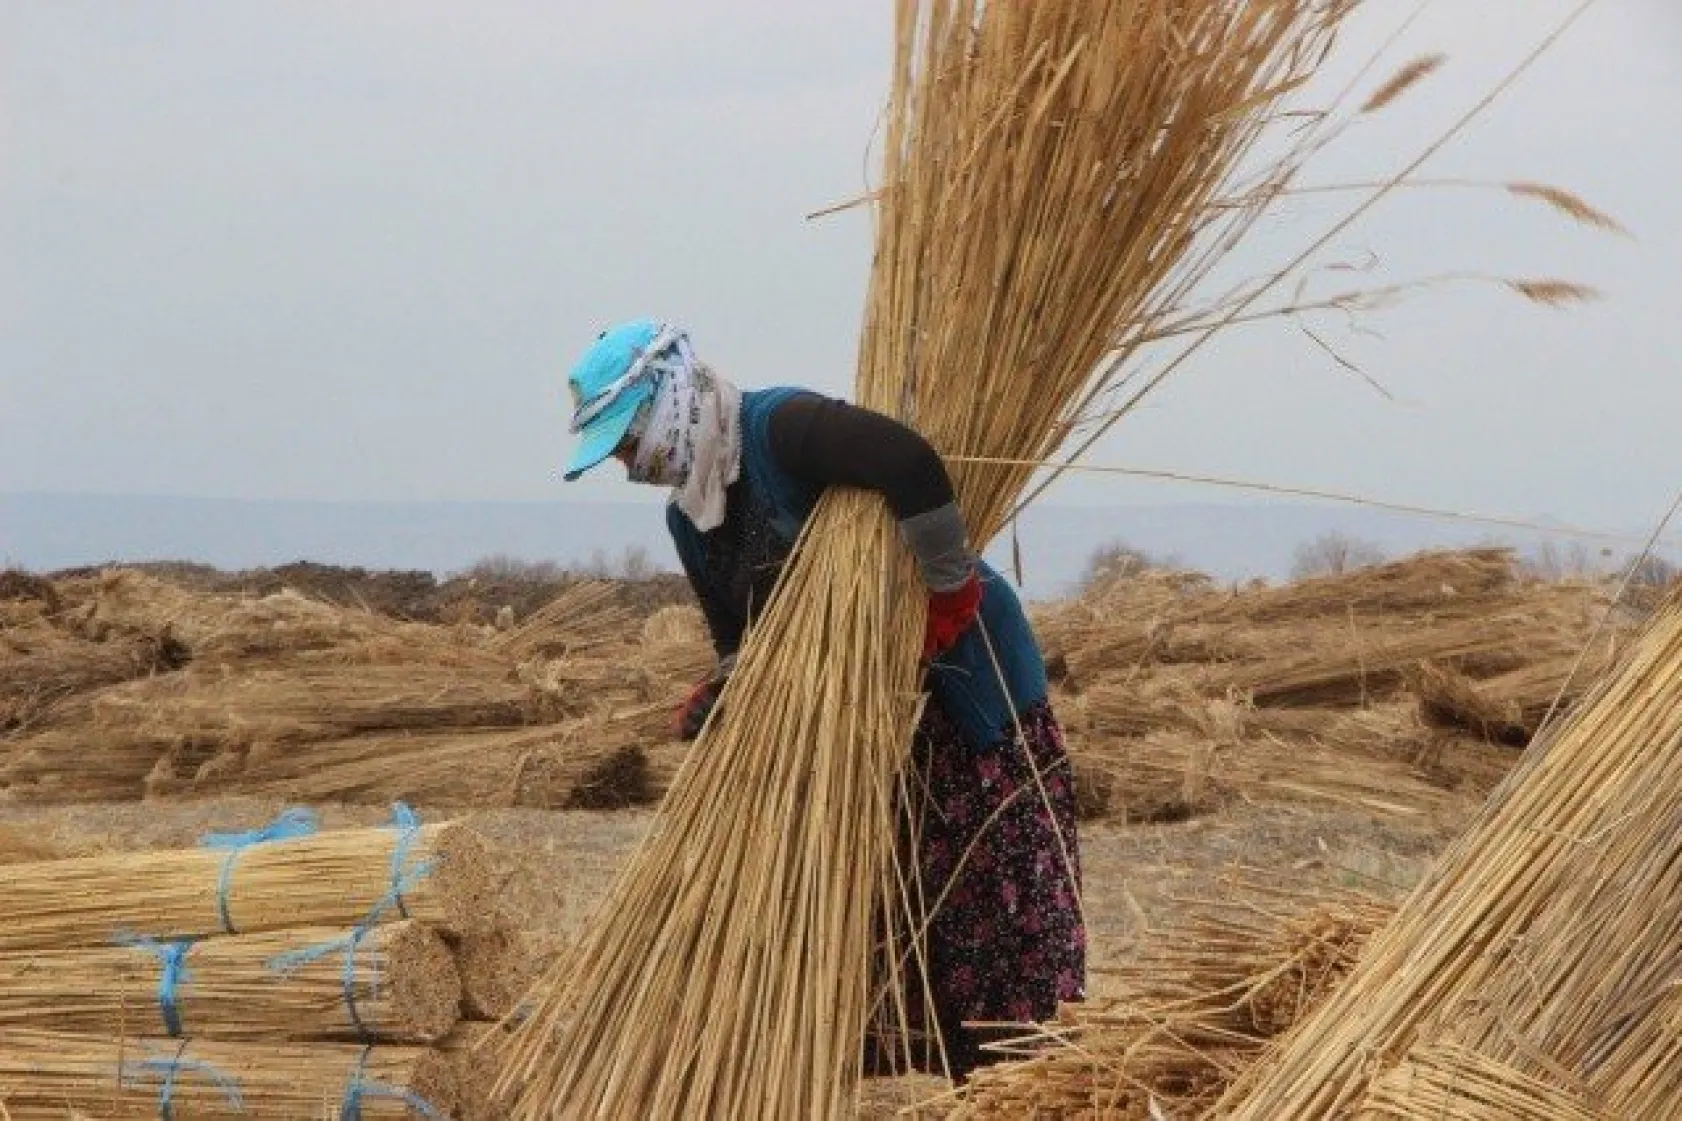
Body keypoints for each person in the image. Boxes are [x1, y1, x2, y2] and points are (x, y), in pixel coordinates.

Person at [561, 318, 1085, 1080]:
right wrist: (722, 694)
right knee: (903, 927)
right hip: (874, 735)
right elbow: (748, 643)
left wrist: (947, 588)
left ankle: (1023, 1087)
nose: (630, 463)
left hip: (970, 693)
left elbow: (910, 461)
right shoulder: (689, 520)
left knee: (1000, 930)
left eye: (626, 439)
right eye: (614, 452)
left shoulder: (782, 429)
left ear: (668, 398)